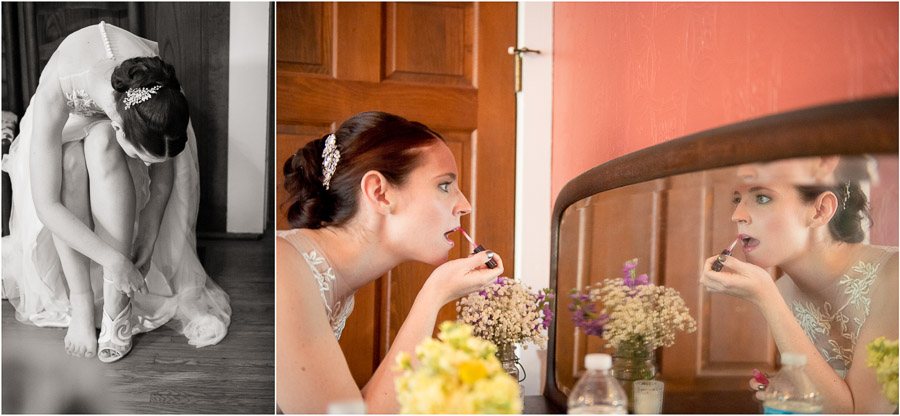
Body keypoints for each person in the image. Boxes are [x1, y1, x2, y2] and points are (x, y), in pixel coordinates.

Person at [2, 22, 231, 363]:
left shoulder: (160, 94)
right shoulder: (59, 86)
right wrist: (114, 260)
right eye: (140, 157)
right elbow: (46, 204)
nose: (145, 165)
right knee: (69, 164)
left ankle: (116, 307)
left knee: (102, 142)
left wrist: (150, 235)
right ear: (122, 124)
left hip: (116, 132)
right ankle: (80, 301)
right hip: (62, 124)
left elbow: (164, 171)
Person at [276, 111, 505, 413]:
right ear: (380, 193)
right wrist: (434, 294)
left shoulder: (333, 283)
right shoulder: (285, 267)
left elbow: (353, 408)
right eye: (445, 186)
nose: (465, 206)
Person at [700, 157, 898, 413]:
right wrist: (789, 388)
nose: (736, 215)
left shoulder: (895, 276)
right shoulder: (782, 289)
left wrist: (767, 300)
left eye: (762, 198)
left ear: (820, 210)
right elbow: (829, 399)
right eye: (737, 199)